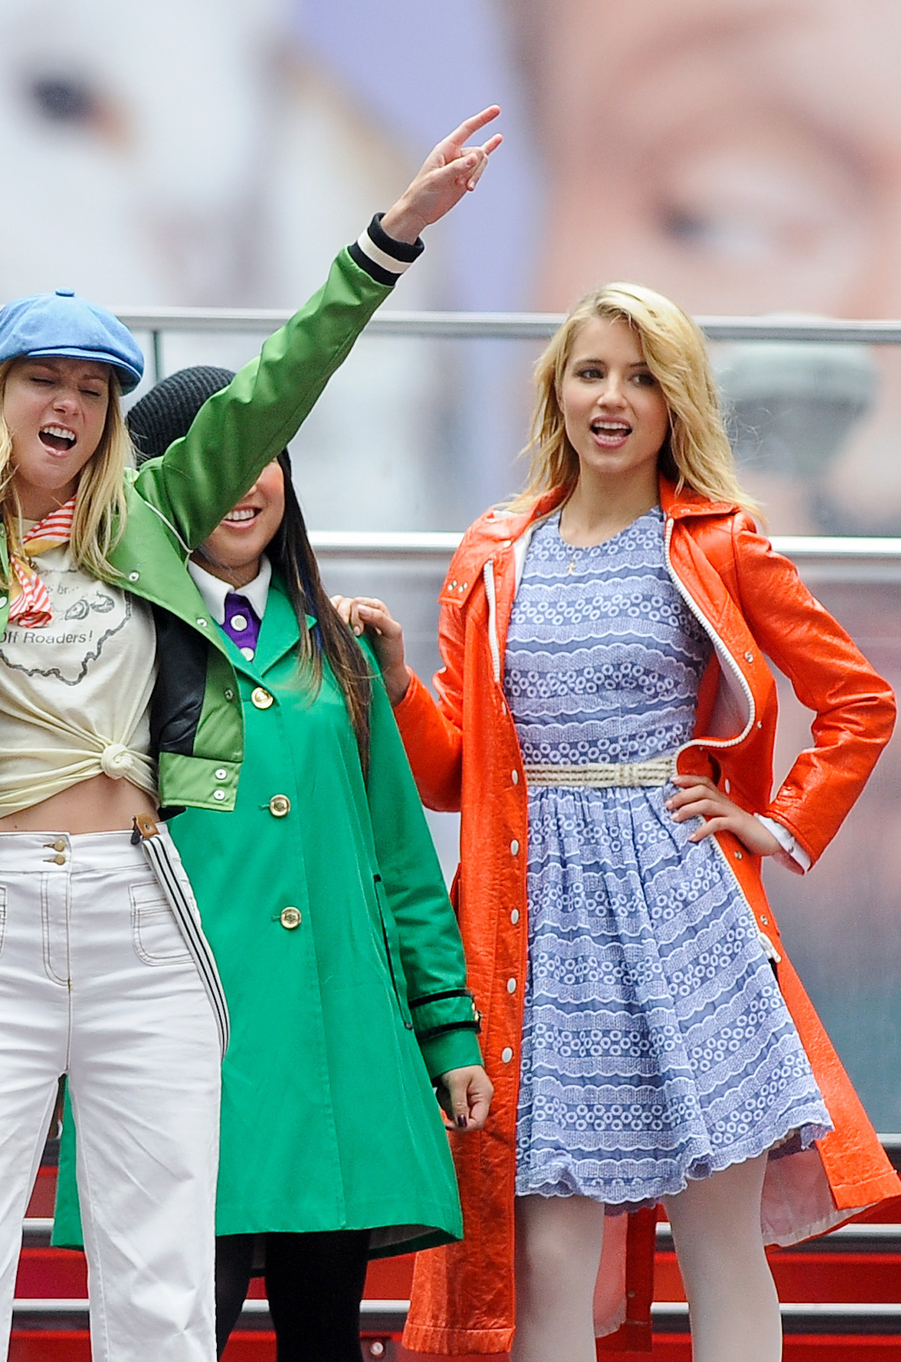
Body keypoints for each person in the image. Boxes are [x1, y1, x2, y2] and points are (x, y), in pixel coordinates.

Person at [0, 62, 501, 1361]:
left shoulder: (159, 526)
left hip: (141, 905)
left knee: (162, 1262)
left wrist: (389, 237)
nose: (66, 401)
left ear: (116, 418)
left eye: (93, 385)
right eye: (40, 377)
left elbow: (281, 381)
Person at [340, 283, 899, 1360]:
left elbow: (858, 700)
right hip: (535, 938)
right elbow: (456, 771)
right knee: (547, 1260)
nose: (612, 396)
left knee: (718, 1245)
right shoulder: (492, 552)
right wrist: (403, 687)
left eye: (641, 376)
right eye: (591, 371)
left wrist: (766, 819)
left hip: (685, 914)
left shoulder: (718, 540)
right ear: (554, 391)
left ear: (675, 401)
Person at [48, 366, 491, 1362]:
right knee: (168, 1330)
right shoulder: (113, 644)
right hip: (176, 1053)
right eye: (213, 467)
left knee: (323, 1333)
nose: (243, 486)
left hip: (333, 1053)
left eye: (264, 460)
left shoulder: (344, 653)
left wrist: (447, 1030)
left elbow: (399, 863)